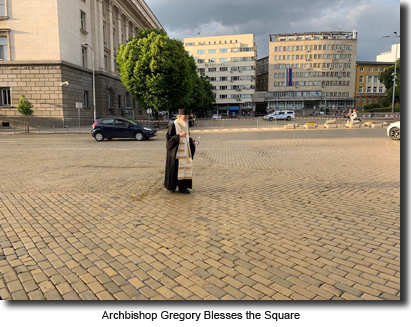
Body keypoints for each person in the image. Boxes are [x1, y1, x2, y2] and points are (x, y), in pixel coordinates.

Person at [164, 109, 198, 194]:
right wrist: (179, 136)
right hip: (176, 153)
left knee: (184, 171)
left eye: (187, 117)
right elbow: (169, 138)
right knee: (175, 170)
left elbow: (187, 138)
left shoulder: (186, 125)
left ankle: (183, 187)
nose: (186, 118)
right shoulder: (173, 125)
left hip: (185, 153)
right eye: (184, 117)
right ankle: (172, 187)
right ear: (179, 116)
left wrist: (192, 142)